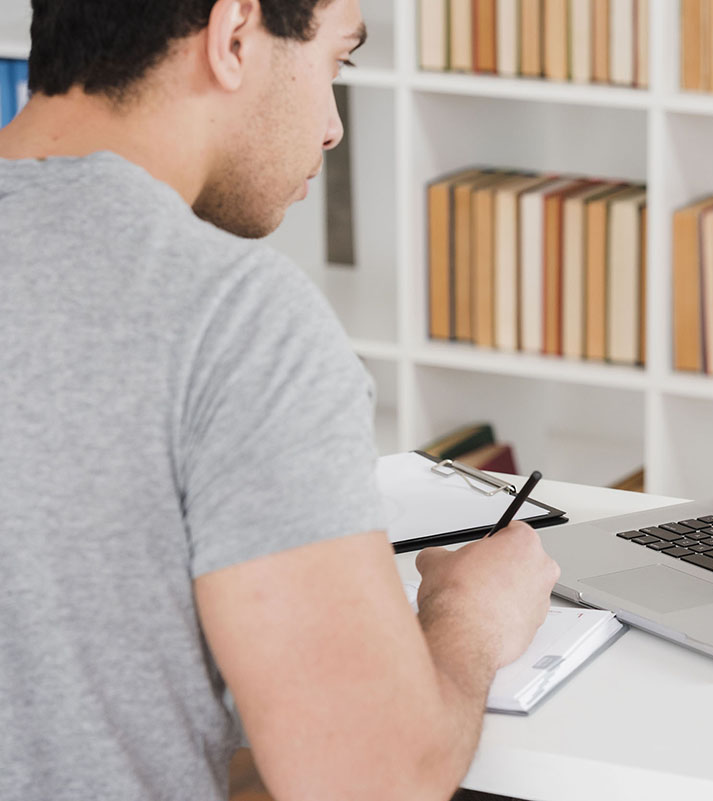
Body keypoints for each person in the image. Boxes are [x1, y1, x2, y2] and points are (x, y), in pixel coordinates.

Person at [0, 3, 559, 800]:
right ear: (233, 38)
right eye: (337, 63)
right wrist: (468, 615)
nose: (332, 127)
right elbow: (372, 782)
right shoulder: (231, 319)